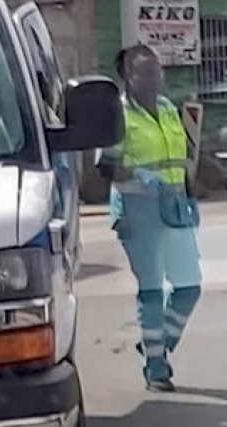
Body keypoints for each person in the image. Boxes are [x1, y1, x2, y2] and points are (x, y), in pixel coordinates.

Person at [96, 44, 202, 392]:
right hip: (137, 210)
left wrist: (189, 195)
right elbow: (105, 166)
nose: (155, 78)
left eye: (158, 71)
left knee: (189, 287)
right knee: (152, 290)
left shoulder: (169, 110)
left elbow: (182, 158)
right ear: (129, 77)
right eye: (146, 72)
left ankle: (157, 343)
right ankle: (156, 368)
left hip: (173, 206)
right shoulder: (118, 115)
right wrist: (140, 173)